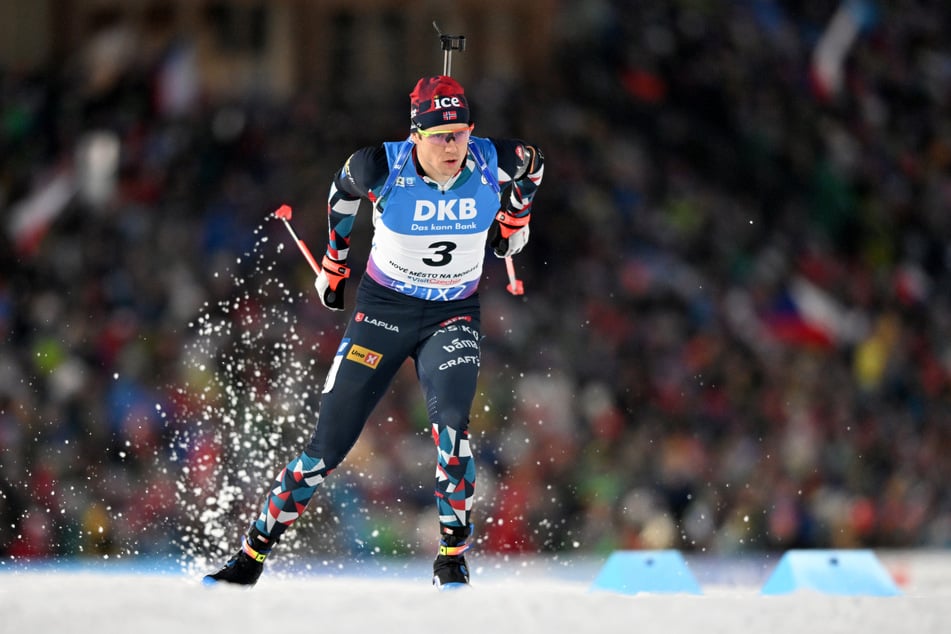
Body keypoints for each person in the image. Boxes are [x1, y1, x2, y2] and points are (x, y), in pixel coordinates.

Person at [204, 75, 545, 589]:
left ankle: (451, 558)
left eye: (460, 133)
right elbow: (341, 193)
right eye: (440, 136)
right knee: (327, 448)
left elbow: (534, 165)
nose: (453, 146)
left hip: (453, 313)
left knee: (452, 430)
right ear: (416, 136)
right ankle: (250, 557)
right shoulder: (380, 165)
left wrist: (514, 219)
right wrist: (334, 265)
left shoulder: (492, 157)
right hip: (384, 312)